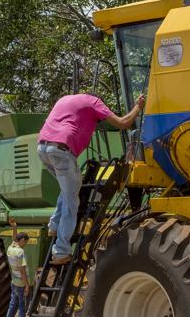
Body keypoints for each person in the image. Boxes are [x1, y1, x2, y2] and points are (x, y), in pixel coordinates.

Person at [38, 93, 145, 265]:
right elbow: (124, 123)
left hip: (43, 148)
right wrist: (137, 107)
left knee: (68, 189)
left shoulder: (64, 99)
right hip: (62, 150)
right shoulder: (94, 102)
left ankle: (54, 225)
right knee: (73, 200)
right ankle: (61, 251)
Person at [4, 219, 30, 317]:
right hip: (21, 283)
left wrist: (14, 227)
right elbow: (23, 270)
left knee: (12, 305)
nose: (25, 245)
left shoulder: (10, 249)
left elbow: (14, 238)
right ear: (23, 240)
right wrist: (27, 285)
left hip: (14, 282)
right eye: (26, 242)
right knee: (21, 307)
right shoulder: (20, 252)